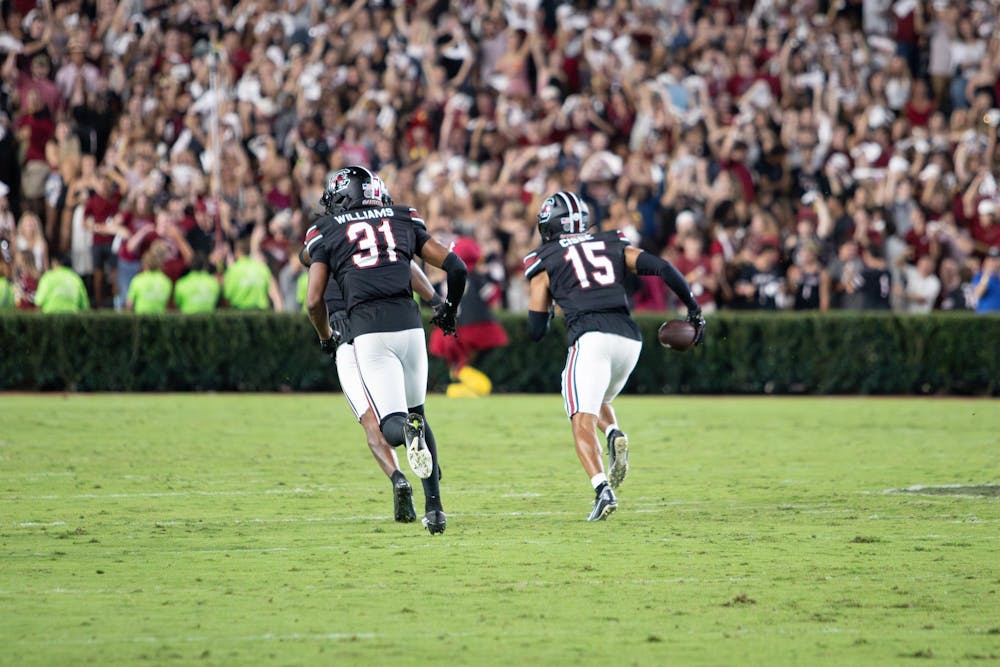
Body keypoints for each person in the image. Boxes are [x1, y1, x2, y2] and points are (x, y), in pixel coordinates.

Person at [303, 166, 468, 535]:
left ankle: (407, 441)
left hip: (364, 331)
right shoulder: (400, 218)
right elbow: (449, 266)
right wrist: (445, 307)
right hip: (410, 325)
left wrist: (325, 336)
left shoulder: (327, 232)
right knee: (420, 414)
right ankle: (436, 511)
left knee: (390, 423)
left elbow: (313, 299)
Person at [523, 191, 705, 522]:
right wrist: (694, 310)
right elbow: (662, 267)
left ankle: (601, 488)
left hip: (591, 339)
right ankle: (614, 434)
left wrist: (549, 305)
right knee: (595, 397)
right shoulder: (611, 243)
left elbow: (536, 330)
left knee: (580, 417)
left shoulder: (545, 259)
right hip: (628, 340)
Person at [301, 238, 442, 524]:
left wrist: (324, 336)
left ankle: (398, 478)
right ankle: (431, 490)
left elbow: (309, 268)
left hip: (351, 334)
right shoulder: (380, 234)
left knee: (373, 421)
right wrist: (436, 300)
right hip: (393, 324)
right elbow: (407, 265)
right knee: (413, 410)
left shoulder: (327, 237)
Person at [428, 236, 509, 397]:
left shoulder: (448, 278)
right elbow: (493, 297)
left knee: (460, 362)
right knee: (471, 364)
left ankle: (457, 379)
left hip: (452, 328)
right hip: (477, 327)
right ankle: (461, 378)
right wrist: (493, 276)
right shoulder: (477, 277)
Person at [223, 236, 283, 310]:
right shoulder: (263, 268)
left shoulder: (233, 270)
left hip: (239, 314)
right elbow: (276, 296)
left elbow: (227, 296)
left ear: (237, 251)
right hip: (260, 315)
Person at [126, 241, 172, 314]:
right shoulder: (166, 281)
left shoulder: (138, 279)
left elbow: (129, 304)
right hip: (159, 319)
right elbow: (168, 304)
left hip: (141, 318)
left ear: (145, 264)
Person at [972, 247, 1000, 313]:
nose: (993, 263)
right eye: (991, 260)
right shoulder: (979, 275)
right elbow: (978, 294)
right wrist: (987, 274)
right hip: (985, 316)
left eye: (996, 259)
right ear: (986, 261)